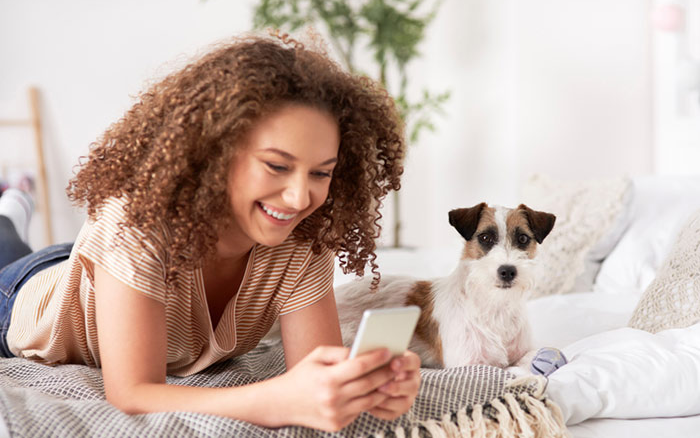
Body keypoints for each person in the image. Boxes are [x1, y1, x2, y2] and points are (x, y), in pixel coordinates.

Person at [0, 33, 421, 431]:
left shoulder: (304, 239)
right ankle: (11, 213)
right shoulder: (136, 221)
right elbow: (131, 393)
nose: (297, 197)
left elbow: (315, 370)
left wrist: (365, 388)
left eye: (320, 173)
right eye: (277, 165)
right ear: (216, 152)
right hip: (26, 294)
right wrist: (275, 400)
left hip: (108, 275)